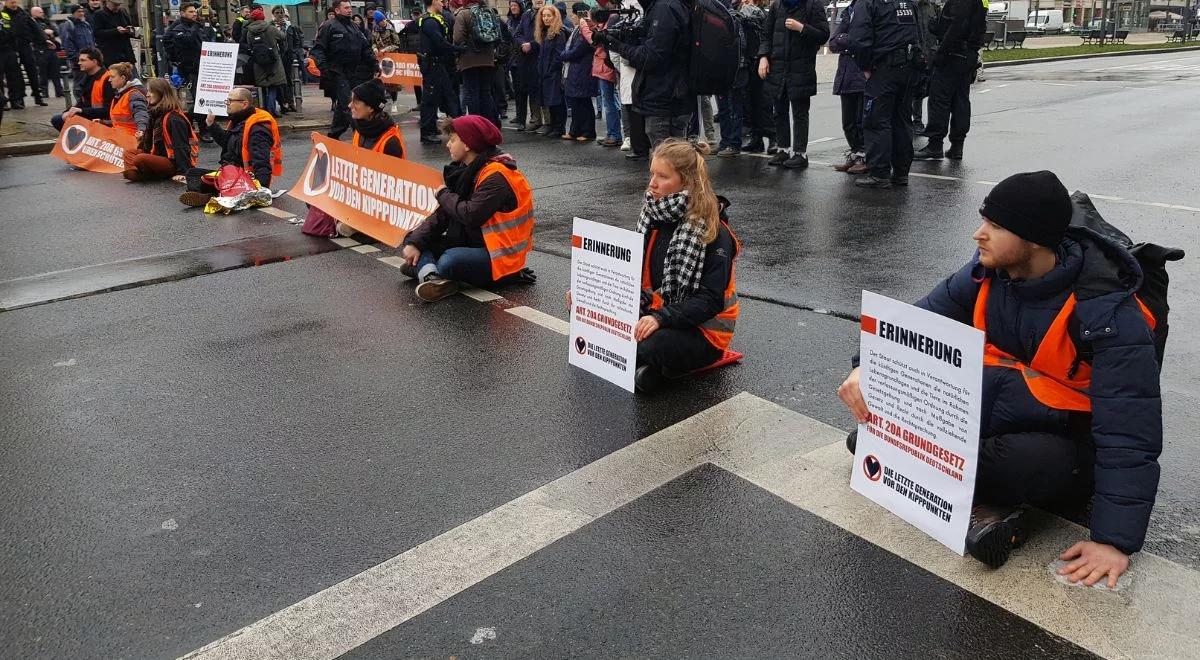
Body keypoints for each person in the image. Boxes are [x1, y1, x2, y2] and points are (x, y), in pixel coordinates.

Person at [838, 171, 1163, 582]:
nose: (979, 234)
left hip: (1067, 445)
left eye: (995, 226)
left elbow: (1130, 427)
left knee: (1023, 463)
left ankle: (988, 503)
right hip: (996, 415)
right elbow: (911, 325)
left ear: (1033, 238)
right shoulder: (985, 272)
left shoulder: (1107, 312)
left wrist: (1114, 541)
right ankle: (988, 510)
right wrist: (865, 367)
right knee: (874, 431)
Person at [630, 138, 740, 394]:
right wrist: (591, 293)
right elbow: (627, 269)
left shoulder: (713, 232)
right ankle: (648, 368)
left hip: (703, 332)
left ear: (687, 182)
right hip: (658, 312)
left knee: (649, 344)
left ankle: (654, 365)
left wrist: (660, 318)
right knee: (588, 312)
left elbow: (710, 301)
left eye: (662, 176)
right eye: (652, 174)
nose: (652, 184)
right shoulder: (653, 215)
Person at [399, 115, 534, 302]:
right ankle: (433, 279)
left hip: (500, 254)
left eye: (453, 140)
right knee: (413, 240)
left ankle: (432, 271)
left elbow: (470, 215)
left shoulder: (497, 175)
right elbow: (444, 214)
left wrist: (443, 194)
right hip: (475, 242)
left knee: (448, 261)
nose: (448, 145)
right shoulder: (466, 169)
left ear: (468, 144)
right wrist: (415, 242)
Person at [842, 0, 920, 188]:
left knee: (876, 121)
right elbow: (918, 33)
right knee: (902, 119)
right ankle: (901, 173)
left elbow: (858, 41)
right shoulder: (907, 2)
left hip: (884, 68)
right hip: (908, 66)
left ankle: (879, 173)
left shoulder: (868, 3)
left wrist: (866, 67)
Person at [594, 0, 691, 146]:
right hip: (668, 96)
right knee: (672, 158)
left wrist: (615, 44)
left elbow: (649, 57)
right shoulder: (663, 7)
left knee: (666, 160)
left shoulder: (664, 9)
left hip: (665, 100)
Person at [180, 86, 282, 206]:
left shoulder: (257, 128)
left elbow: (261, 161)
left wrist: (261, 189)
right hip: (231, 173)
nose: (226, 104)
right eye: (227, 101)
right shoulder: (239, 120)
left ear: (244, 104)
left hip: (245, 178)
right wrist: (211, 125)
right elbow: (228, 144)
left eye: (230, 101)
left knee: (197, 179)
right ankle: (215, 195)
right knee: (193, 174)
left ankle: (214, 195)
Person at [759, 0, 829, 169]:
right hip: (778, 68)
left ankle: (800, 153)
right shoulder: (777, 6)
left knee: (800, 113)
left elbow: (823, 35)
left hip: (801, 68)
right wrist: (763, 56)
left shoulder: (813, 5)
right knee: (779, 111)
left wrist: (802, 28)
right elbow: (766, 35)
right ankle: (783, 149)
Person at [914, 0, 986, 161]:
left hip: (953, 55)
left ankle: (935, 144)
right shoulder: (977, 3)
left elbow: (956, 28)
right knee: (960, 100)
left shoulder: (960, 3)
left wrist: (942, 52)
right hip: (967, 55)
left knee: (939, 100)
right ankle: (957, 146)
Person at [312, 0, 378, 139]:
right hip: (336, 71)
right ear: (337, 10)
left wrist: (374, 64)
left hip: (354, 71)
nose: (349, 10)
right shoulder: (328, 26)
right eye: (346, 8)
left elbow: (365, 48)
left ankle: (334, 135)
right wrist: (324, 69)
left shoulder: (354, 27)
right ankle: (362, 136)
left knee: (346, 105)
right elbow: (318, 50)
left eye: (350, 7)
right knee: (349, 104)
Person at [122, 78, 197, 181]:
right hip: (157, 156)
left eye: (150, 91)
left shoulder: (174, 118)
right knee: (128, 153)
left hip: (172, 162)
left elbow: (181, 146)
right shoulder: (155, 114)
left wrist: (183, 172)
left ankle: (147, 175)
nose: (147, 94)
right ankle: (150, 174)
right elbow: (148, 146)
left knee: (140, 159)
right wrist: (141, 140)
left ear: (161, 93)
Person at [827, 0, 866, 174]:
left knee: (861, 121)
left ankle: (864, 156)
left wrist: (846, 42)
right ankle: (855, 152)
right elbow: (833, 42)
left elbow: (861, 41)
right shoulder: (848, 11)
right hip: (846, 75)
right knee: (848, 122)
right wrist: (846, 42)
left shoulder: (867, 8)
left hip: (862, 74)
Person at [416, 0, 462, 143]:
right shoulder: (429, 21)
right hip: (432, 64)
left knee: (448, 95)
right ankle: (426, 132)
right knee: (430, 99)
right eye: (441, 1)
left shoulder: (434, 19)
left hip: (438, 64)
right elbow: (440, 42)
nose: (443, 4)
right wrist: (459, 49)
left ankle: (457, 127)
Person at [164, 4, 210, 136]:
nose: (195, 14)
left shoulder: (197, 27)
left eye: (195, 11)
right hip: (190, 69)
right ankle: (201, 128)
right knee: (198, 99)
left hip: (203, 67)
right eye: (191, 12)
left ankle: (190, 122)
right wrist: (196, 26)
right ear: (182, 13)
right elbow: (187, 41)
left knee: (202, 99)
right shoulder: (178, 28)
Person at [453, 0, 499, 127]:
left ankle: (477, 126)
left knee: (472, 94)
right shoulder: (489, 11)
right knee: (486, 92)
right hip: (488, 59)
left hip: (469, 60)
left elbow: (458, 38)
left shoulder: (463, 14)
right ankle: (490, 124)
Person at [738, 0, 773, 154]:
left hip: (761, 61)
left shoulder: (762, 14)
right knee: (749, 102)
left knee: (764, 102)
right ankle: (756, 137)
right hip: (748, 61)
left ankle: (774, 138)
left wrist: (764, 56)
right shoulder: (739, 14)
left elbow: (767, 36)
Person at [584, 3, 621, 147]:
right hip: (604, 66)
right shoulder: (608, 20)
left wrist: (587, 26)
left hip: (606, 66)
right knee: (610, 102)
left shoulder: (611, 19)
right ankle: (612, 133)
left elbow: (595, 40)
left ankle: (615, 134)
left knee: (609, 102)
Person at [561, 2, 596, 141]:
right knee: (575, 103)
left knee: (584, 103)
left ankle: (588, 132)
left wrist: (563, 55)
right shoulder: (576, 29)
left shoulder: (585, 29)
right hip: (574, 71)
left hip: (582, 70)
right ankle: (575, 131)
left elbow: (577, 50)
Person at [52, 47, 112, 129]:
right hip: (91, 115)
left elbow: (109, 110)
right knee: (59, 118)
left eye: (83, 60)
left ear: (94, 61)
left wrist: (81, 111)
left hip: (103, 119)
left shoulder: (107, 79)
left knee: (58, 120)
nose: (79, 63)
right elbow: (82, 102)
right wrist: (68, 112)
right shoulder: (87, 78)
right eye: (79, 60)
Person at [531, 3, 567, 138]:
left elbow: (559, 55)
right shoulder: (545, 32)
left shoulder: (559, 33)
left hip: (554, 72)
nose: (545, 18)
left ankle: (559, 127)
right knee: (549, 101)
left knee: (557, 101)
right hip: (545, 72)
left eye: (548, 15)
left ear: (554, 16)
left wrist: (551, 69)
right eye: (544, 16)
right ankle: (553, 125)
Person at [243, 7, 286, 117]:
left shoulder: (249, 32)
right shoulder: (270, 28)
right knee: (273, 86)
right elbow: (282, 37)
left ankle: (264, 109)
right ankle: (271, 110)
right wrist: (280, 28)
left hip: (259, 63)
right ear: (263, 18)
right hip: (273, 62)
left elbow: (250, 45)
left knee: (263, 87)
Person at [3, 0, 46, 107]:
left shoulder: (23, 14)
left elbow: (36, 29)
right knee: (14, 75)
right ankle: (17, 99)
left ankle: (37, 96)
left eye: (15, 2)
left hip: (25, 46)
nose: (14, 5)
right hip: (10, 47)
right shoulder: (3, 15)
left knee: (32, 72)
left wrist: (41, 41)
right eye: (11, 3)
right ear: (6, 2)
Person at [348, 78, 405, 158]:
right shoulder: (359, 128)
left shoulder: (391, 143)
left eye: (356, 102)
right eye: (351, 100)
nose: (349, 105)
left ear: (371, 108)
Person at [512, 0, 545, 132]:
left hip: (540, 56)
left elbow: (546, 35)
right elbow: (517, 33)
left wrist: (531, 45)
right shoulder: (527, 14)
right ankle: (535, 119)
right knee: (530, 88)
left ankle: (547, 122)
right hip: (526, 58)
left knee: (540, 90)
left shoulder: (547, 13)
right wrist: (523, 44)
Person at [910, 0, 938, 134]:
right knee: (915, 91)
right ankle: (915, 121)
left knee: (927, 91)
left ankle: (925, 122)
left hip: (931, 54)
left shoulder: (932, 7)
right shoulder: (909, 6)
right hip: (914, 56)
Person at [59, 4, 96, 100]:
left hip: (90, 59)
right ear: (73, 13)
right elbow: (67, 44)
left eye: (82, 11)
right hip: (79, 61)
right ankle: (80, 103)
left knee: (90, 83)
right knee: (79, 84)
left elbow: (91, 41)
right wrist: (76, 58)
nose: (81, 13)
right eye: (79, 11)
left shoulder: (86, 25)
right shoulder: (68, 25)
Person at [90, 0, 136, 68]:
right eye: (115, 4)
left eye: (119, 5)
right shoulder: (99, 14)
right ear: (107, 2)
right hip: (110, 55)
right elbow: (97, 33)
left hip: (126, 54)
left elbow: (130, 27)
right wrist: (115, 31)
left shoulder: (123, 12)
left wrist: (129, 30)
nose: (117, 7)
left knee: (132, 77)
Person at [105, 61, 147, 137]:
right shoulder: (122, 94)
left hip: (131, 140)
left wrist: (141, 130)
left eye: (112, 77)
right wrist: (104, 122)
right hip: (123, 138)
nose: (109, 80)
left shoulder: (133, 94)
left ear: (122, 78)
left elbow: (141, 113)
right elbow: (120, 122)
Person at [273, 7, 302, 113]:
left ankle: (290, 102)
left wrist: (293, 52)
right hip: (277, 57)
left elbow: (297, 40)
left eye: (281, 12)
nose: (279, 14)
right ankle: (282, 103)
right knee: (280, 82)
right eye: (277, 13)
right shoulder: (271, 26)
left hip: (288, 57)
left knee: (289, 80)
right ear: (273, 14)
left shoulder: (290, 26)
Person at [30, 6, 62, 100]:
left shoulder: (46, 21)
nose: (42, 13)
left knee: (56, 71)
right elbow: (33, 35)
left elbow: (56, 32)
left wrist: (51, 31)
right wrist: (45, 32)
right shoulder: (32, 22)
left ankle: (59, 91)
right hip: (40, 49)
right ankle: (44, 92)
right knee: (43, 72)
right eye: (40, 12)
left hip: (52, 49)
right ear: (34, 13)